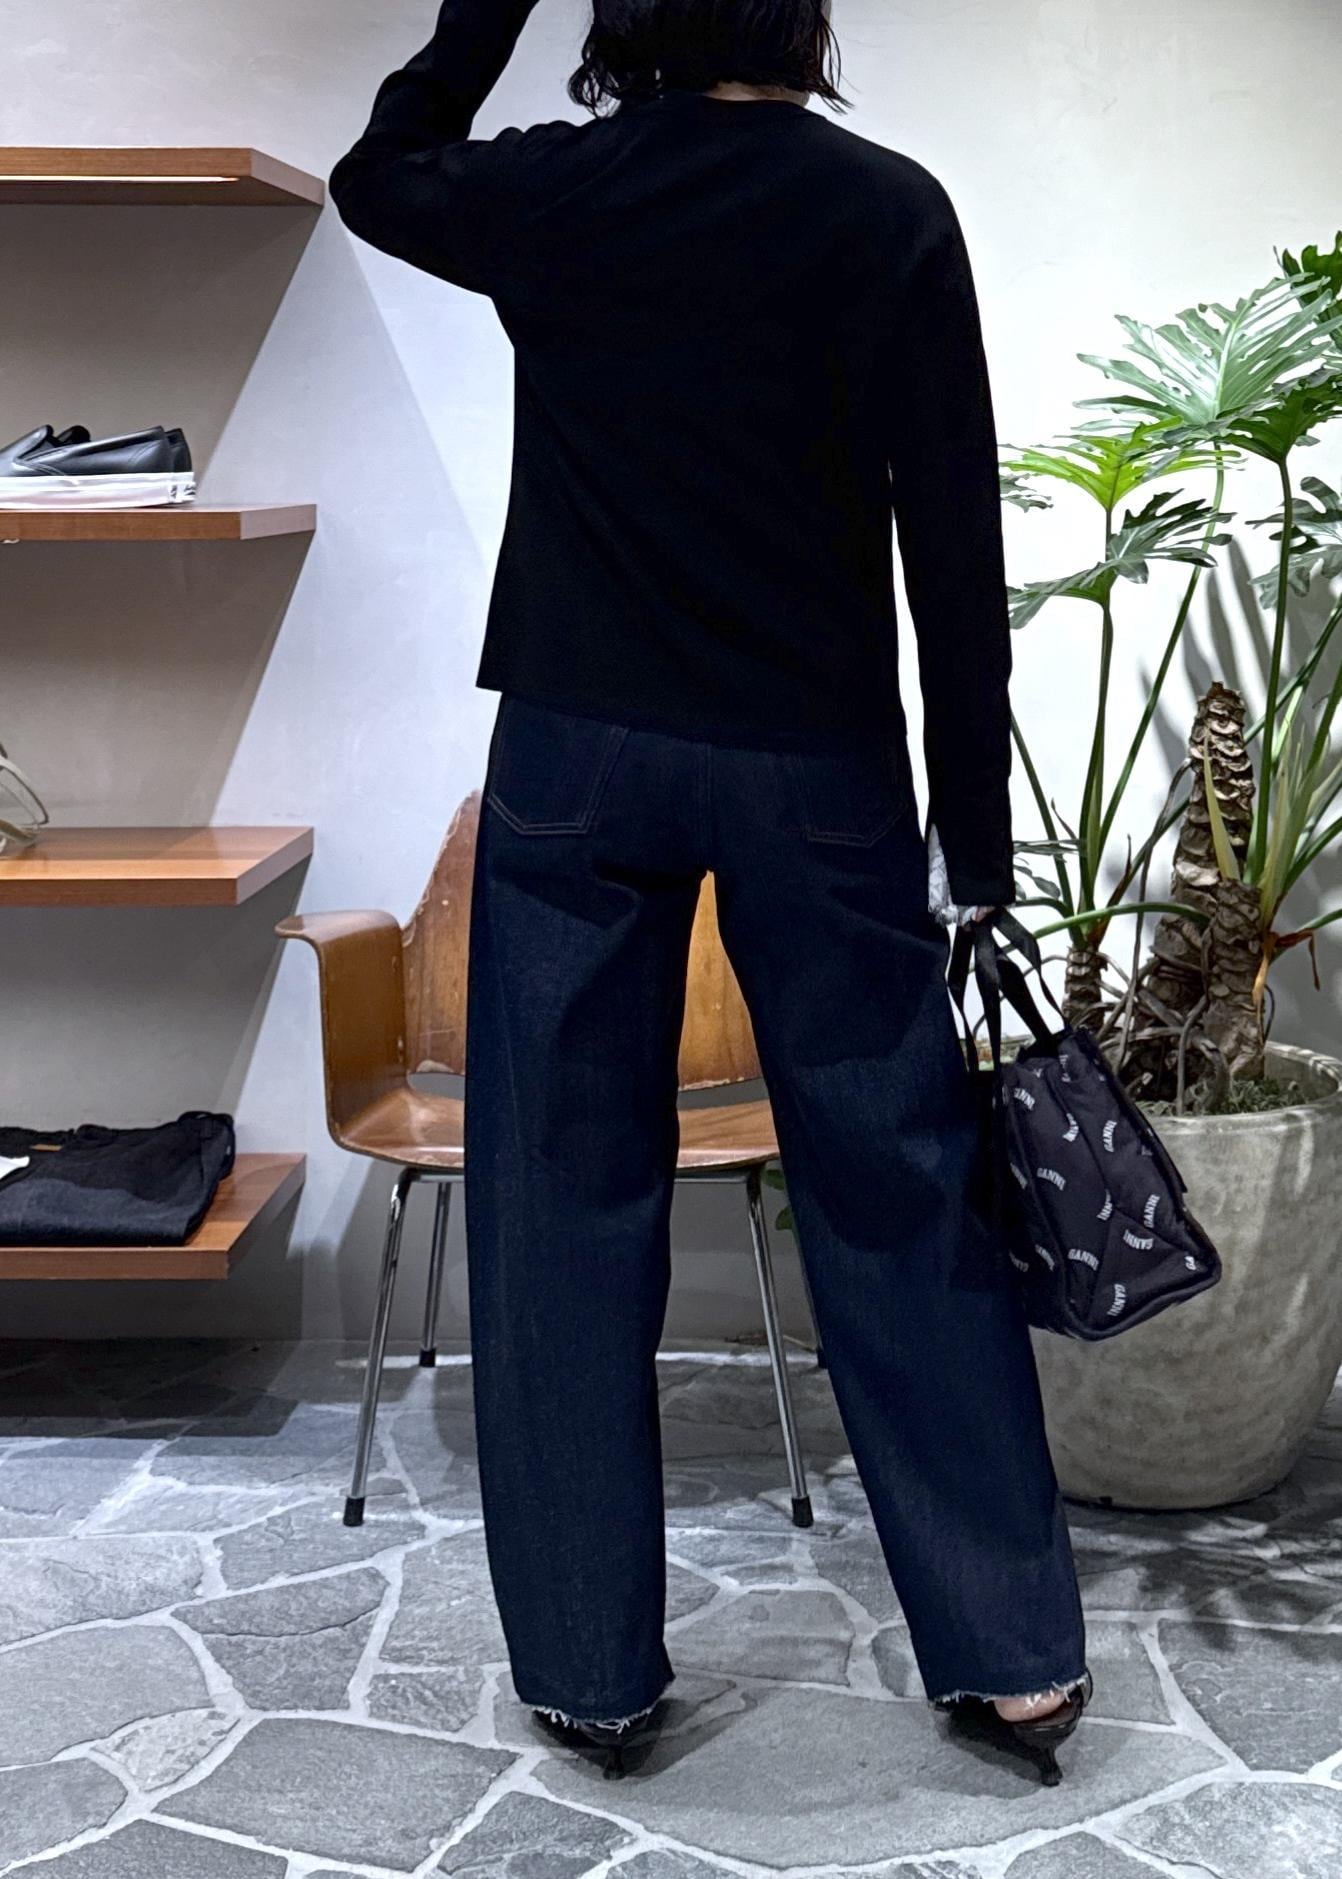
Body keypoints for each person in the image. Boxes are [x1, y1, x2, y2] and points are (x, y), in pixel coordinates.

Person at [331, 0, 1092, 1785]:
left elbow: (380, 175)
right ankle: (1009, 1656)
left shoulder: (561, 190)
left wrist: (483, 10)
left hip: (576, 749)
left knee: (555, 1194)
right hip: (812, 760)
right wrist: (976, 846)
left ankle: (589, 1670)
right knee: (896, 1186)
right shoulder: (883, 208)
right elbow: (951, 540)